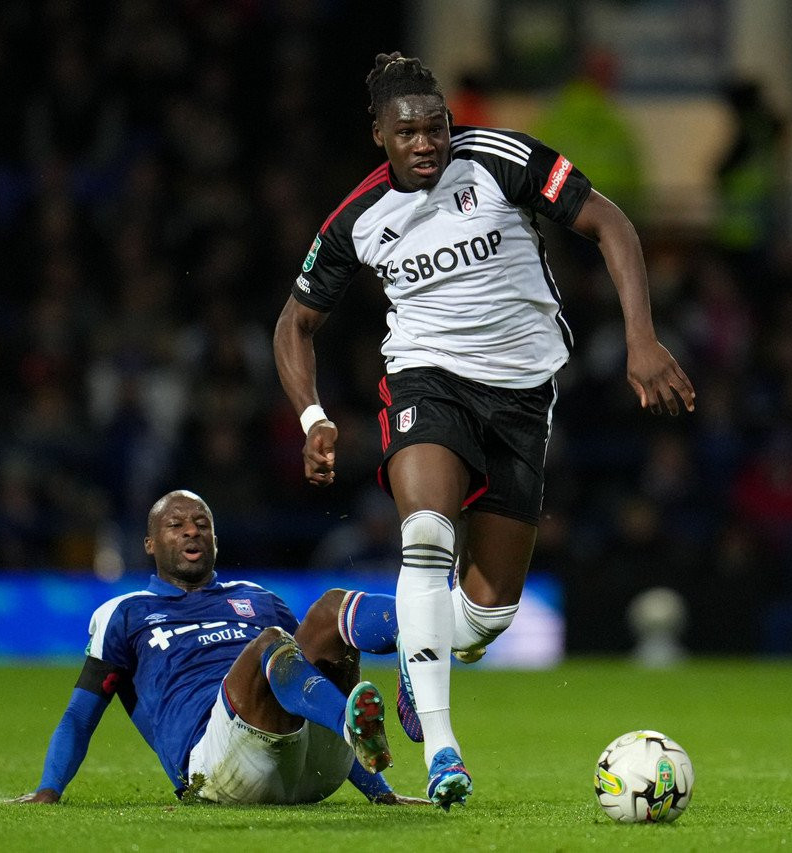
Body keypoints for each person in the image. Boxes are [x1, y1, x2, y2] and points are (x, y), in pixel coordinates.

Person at [273, 52, 695, 810]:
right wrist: (313, 416)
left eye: (437, 126)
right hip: (427, 382)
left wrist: (642, 338)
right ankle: (442, 751)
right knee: (426, 538)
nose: (429, 142)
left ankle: (361, 621)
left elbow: (611, 223)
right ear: (380, 135)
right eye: (410, 132)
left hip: (525, 397)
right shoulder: (355, 219)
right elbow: (294, 325)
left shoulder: (502, 158)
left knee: (481, 619)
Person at [11, 489, 426, 806]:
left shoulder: (259, 599)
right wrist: (48, 790)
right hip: (216, 769)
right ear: (150, 544)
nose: (192, 530)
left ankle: (417, 629)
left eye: (202, 523)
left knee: (332, 608)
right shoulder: (125, 613)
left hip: (313, 766)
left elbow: (310, 683)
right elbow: (80, 716)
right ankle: (352, 724)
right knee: (271, 644)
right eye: (176, 525)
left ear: (214, 538)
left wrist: (381, 794)